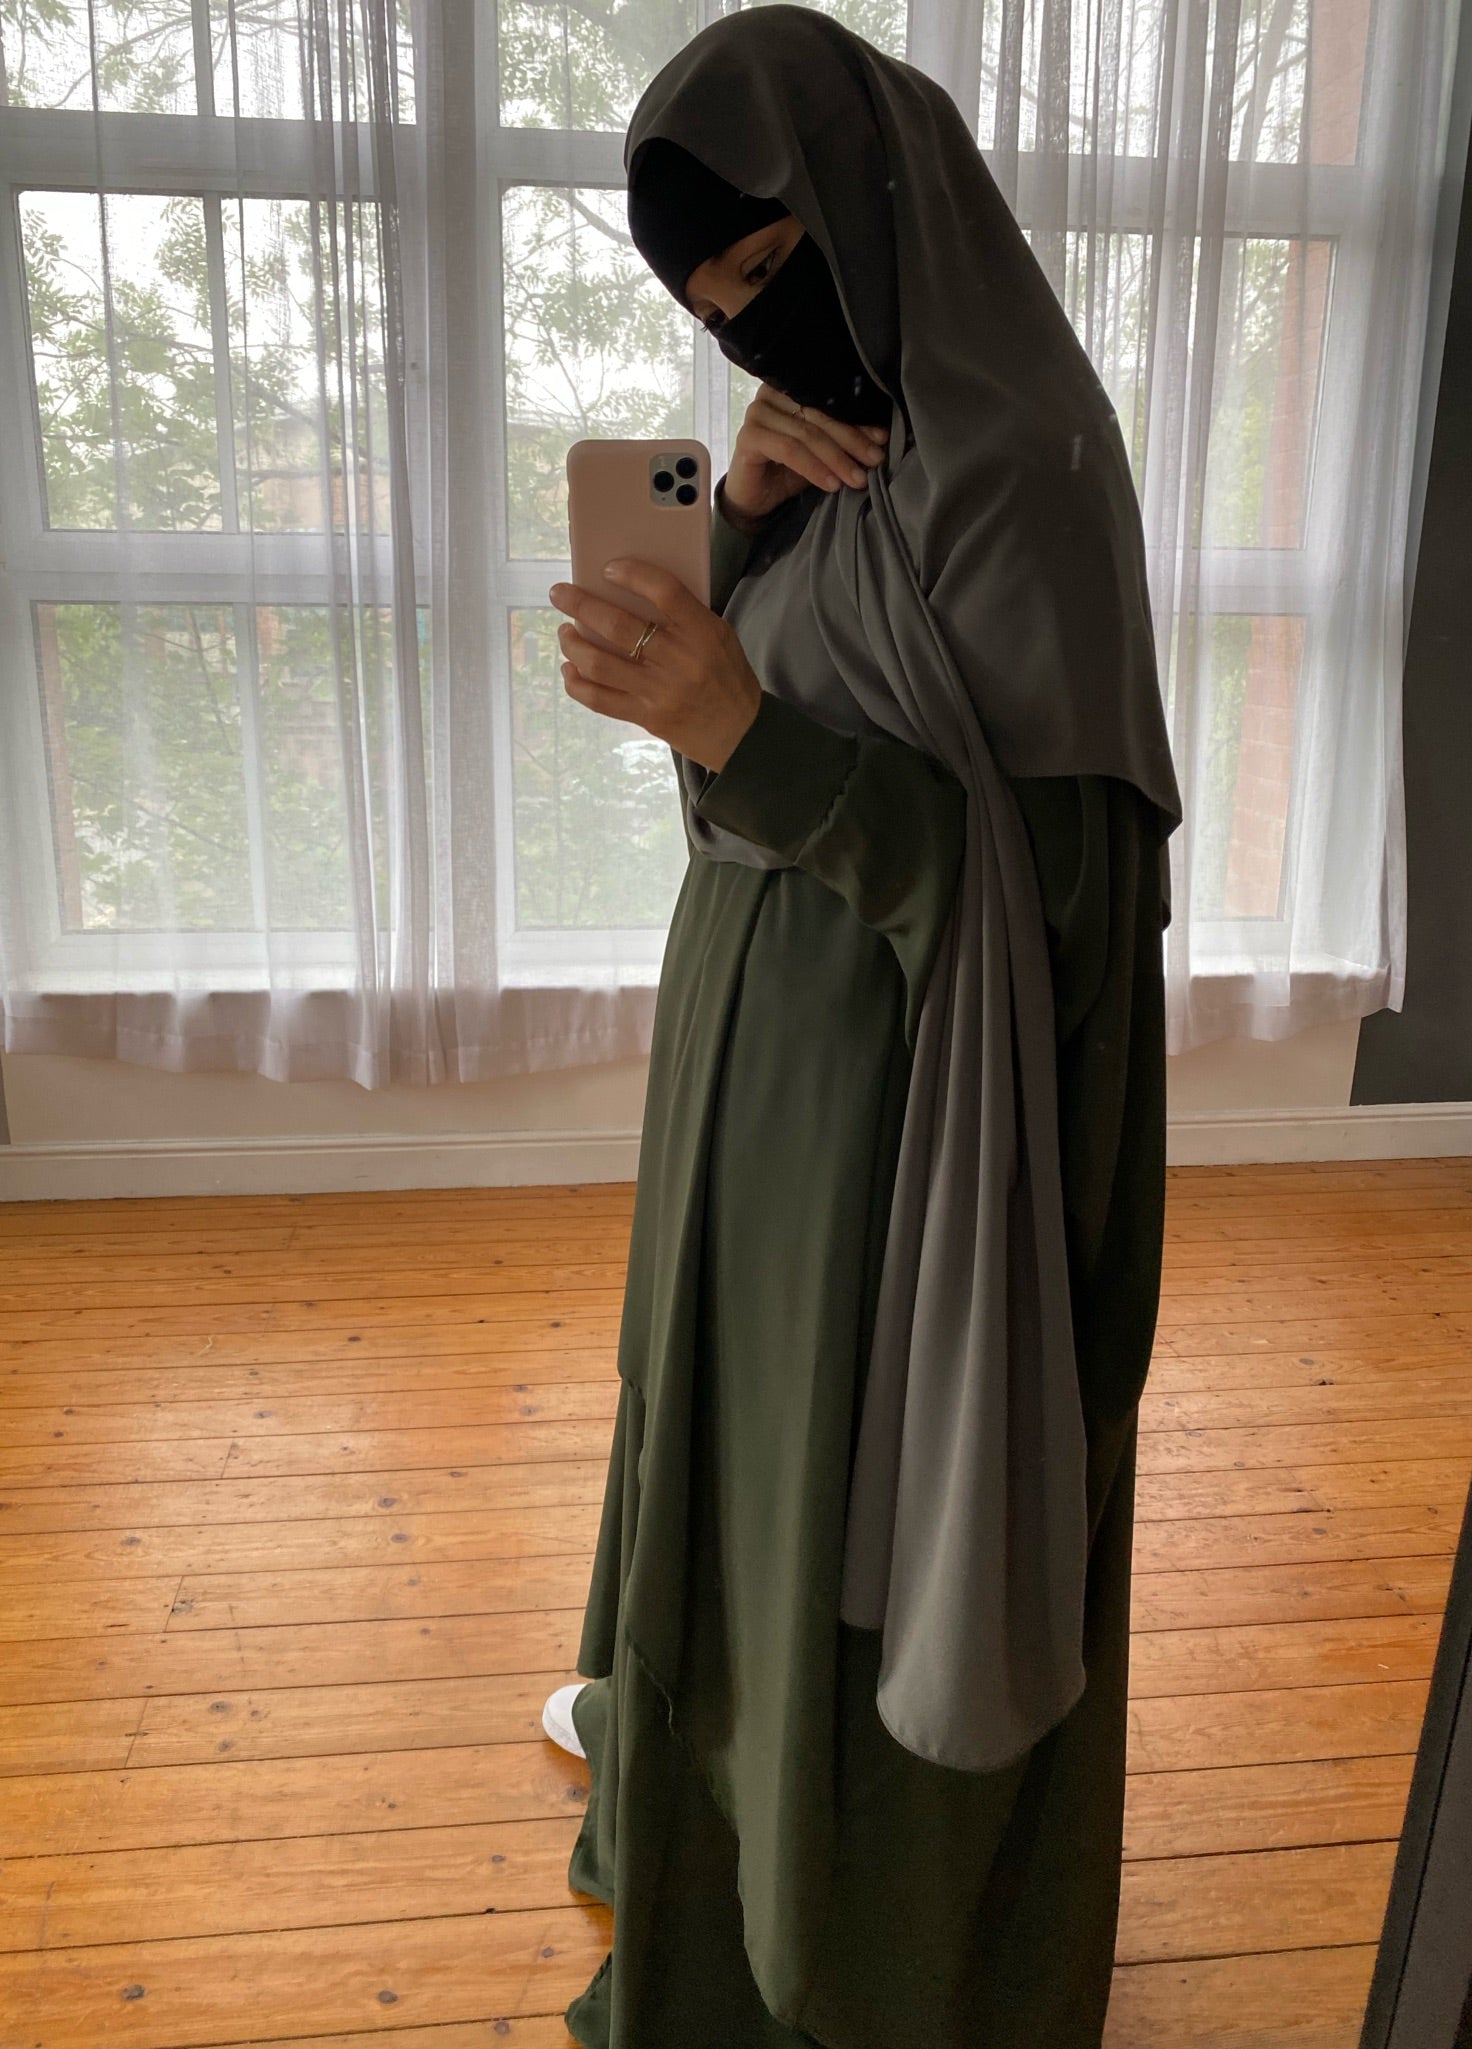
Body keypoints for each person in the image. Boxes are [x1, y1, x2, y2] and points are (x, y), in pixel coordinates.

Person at [542, 8, 1182, 2045]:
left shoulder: (1027, 469)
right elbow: (765, 758)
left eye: (767, 268)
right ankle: (699, 1797)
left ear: (876, 202)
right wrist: (739, 526)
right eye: (713, 308)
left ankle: (838, 1937)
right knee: (727, 1464)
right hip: (755, 1086)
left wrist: (739, 720)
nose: (754, 330)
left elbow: (1054, 905)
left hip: (910, 1135)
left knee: (840, 1509)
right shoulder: (831, 449)